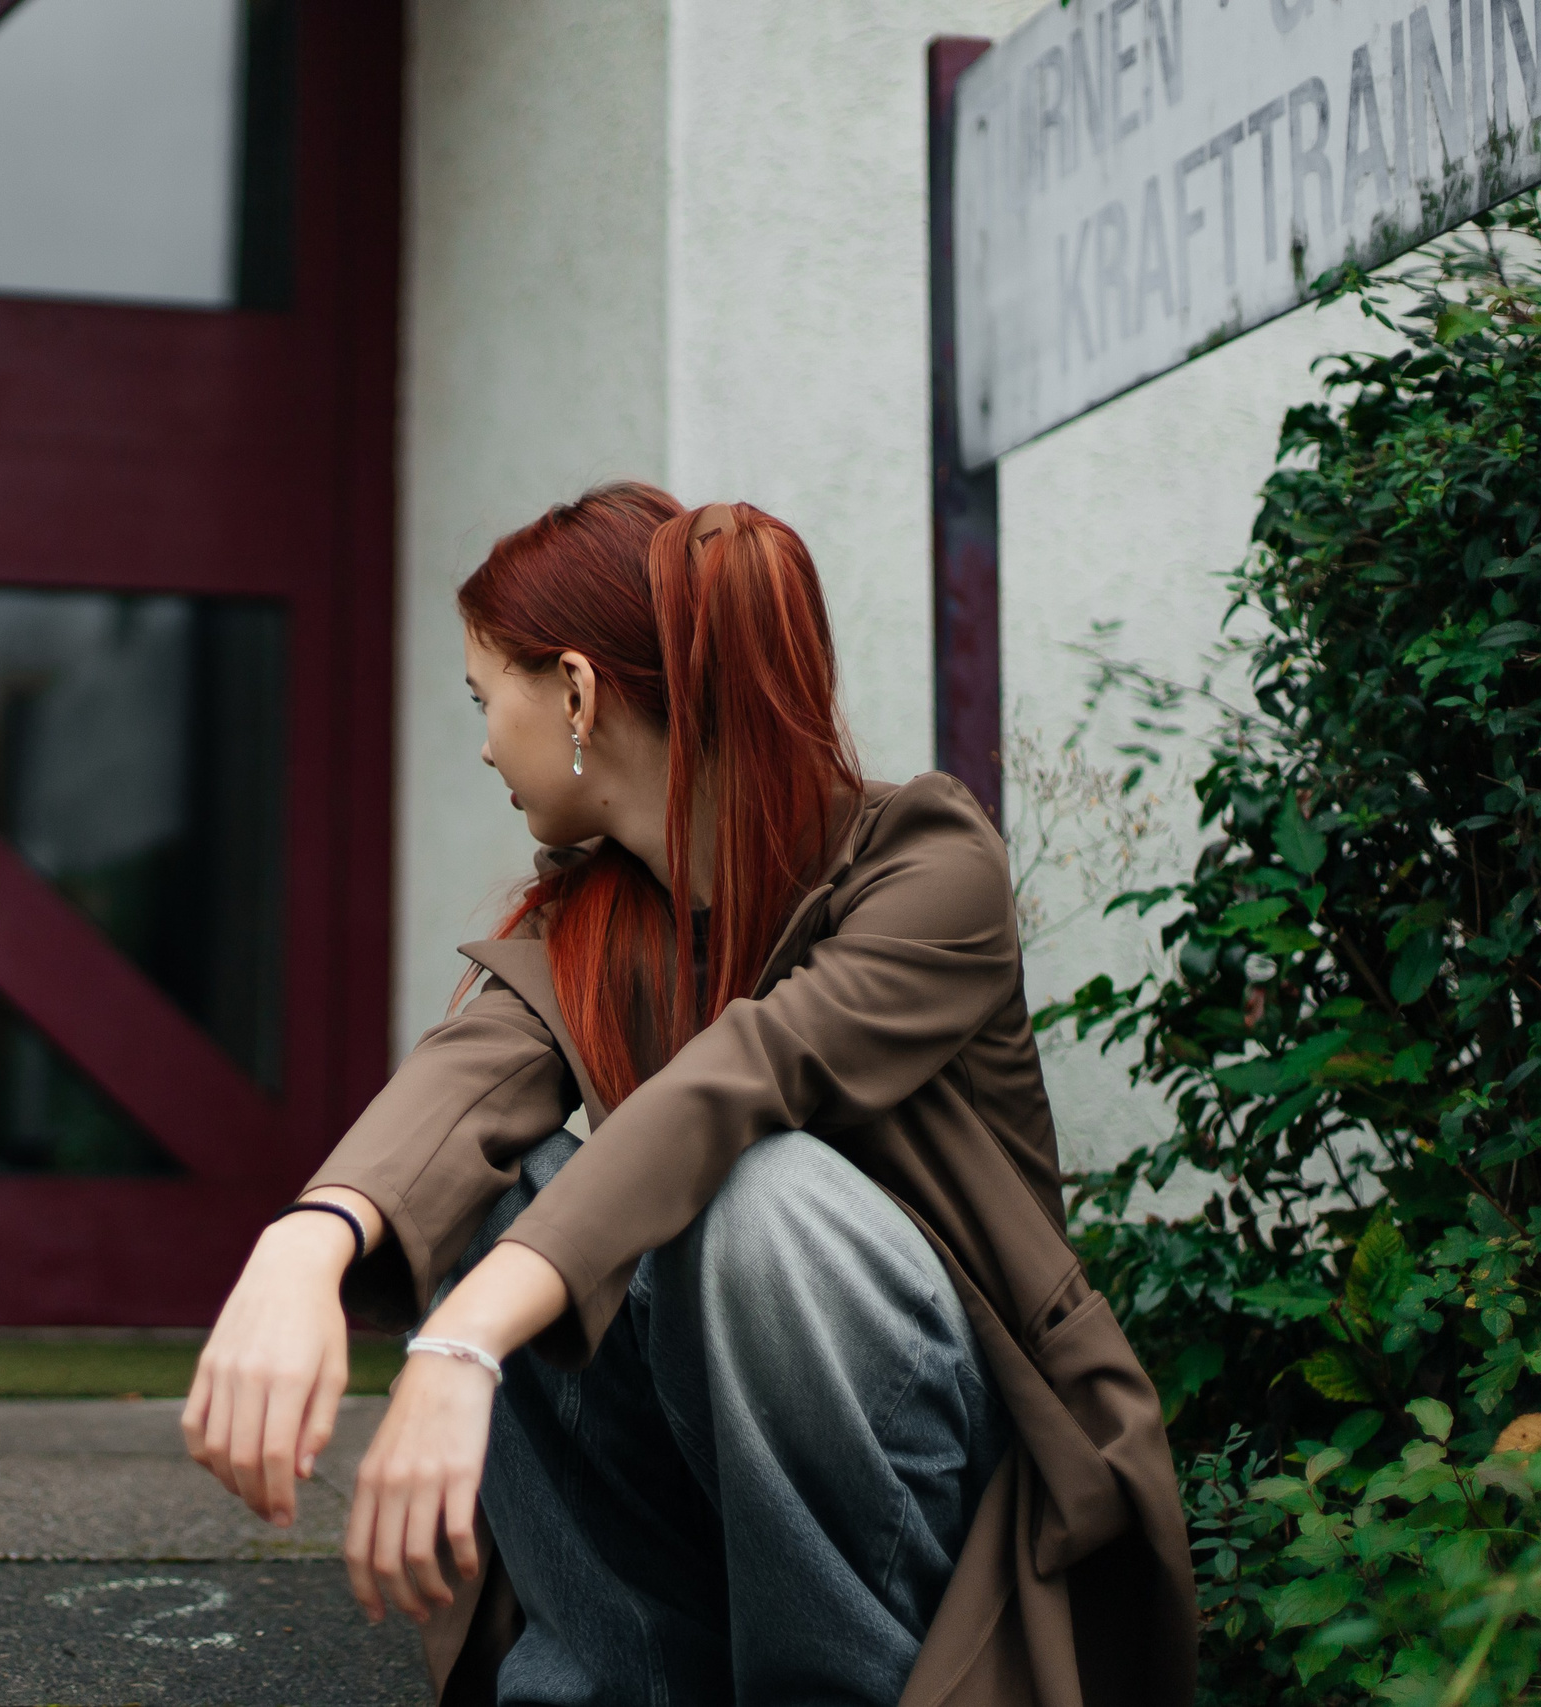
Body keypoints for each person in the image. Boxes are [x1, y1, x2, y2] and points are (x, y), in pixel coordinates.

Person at [181, 486, 1196, 1707]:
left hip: (952, 1480)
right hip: (720, 1466)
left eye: (481, 699)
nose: (482, 744)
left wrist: (461, 1342)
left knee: (758, 1195)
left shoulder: (924, 864)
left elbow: (740, 1082)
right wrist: (308, 1241)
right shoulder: (601, 921)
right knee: (492, 1193)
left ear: (573, 693)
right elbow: (467, 1086)